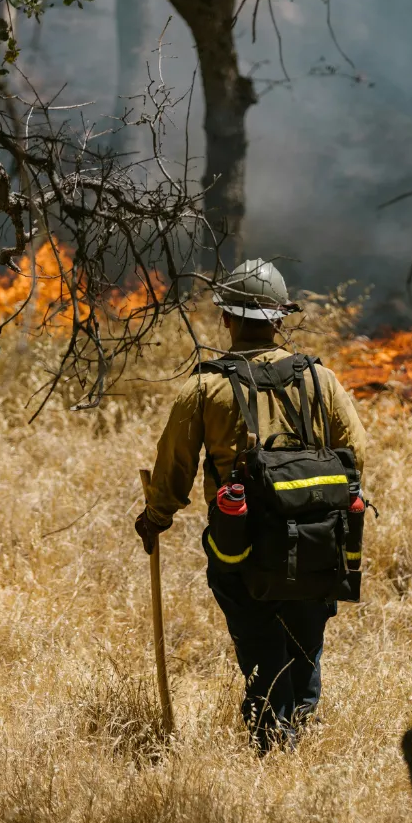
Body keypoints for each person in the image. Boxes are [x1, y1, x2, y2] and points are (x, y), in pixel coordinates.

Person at [136, 259, 368, 752]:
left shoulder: (206, 388)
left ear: (226, 318)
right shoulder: (320, 380)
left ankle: (273, 750)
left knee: (262, 651)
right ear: (280, 320)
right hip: (318, 543)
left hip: (242, 549)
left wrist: (155, 518)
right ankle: (299, 744)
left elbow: (174, 469)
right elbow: (357, 455)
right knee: (305, 651)